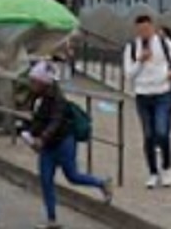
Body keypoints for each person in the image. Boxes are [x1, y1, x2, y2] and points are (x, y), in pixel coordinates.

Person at [25, 62, 112, 228]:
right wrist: (30, 133)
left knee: (72, 176)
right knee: (45, 179)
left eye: (34, 81)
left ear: (44, 82)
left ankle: (101, 183)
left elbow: (55, 122)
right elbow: (37, 119)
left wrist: (42, 138)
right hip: (47, 145)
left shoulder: (58, 100)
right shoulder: (36, 97)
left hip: (63, 141)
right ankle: (51, 219)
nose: (32, 84)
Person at [123, 15, 171, 188]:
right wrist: (140, 61)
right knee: (149, 135)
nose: (145, 33)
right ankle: (152, 172)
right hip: (142, 94)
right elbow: (128, 74)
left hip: (162, 93)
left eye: (147, 29)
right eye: (141, 30)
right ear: (137, 30)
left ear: (152, 27)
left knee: (162, 132)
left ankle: (166, 167)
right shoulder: (132, 46)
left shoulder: (164, 43)